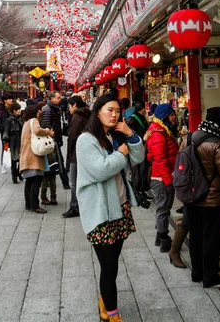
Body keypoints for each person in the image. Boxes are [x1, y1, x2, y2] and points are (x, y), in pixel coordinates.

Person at [76, 93, 145, 322]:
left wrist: (130, 135)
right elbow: (101, 170)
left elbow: (137, 158)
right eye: (109, 110)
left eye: (117, 110)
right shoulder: (86, 140)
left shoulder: (113, 135)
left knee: (113, 261)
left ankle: (104, 300)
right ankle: (112, 314)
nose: (114, 115)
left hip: (120, 206)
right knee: (109, 266)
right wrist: (120, 153)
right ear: (98, 112)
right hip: (100, 212)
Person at [168, 115, 220, 269]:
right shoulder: (216, 143)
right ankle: (176, 253)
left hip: (191, 188)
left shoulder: (192, 137)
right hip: (202, 192)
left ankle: (194, 267)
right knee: (193, 225)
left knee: (193, 227)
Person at [145, 103, 179, 253]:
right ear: (164, 117)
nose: (174, 118)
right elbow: (161, 160)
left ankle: (160, 236)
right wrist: (168, 181)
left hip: (163, 175)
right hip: (160, 178)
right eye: (171, 115)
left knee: (163, 207)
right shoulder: (158, 134)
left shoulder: (162, 131)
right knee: (163, 208)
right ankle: (164, 239)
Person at [19, 105, 54, 214]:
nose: (40, 113)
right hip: (33, 155)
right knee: (35, 181)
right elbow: (37, 130)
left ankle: (28, 205)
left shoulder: (25, 123)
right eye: (38, 111)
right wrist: (48, 131)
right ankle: (34, 205)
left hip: (26, 155)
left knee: (29, 181)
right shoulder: (34, 120)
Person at [63, 95, 90, 218]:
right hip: (86, 151)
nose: (69, 109)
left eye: (69, 106)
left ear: (74, 105)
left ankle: (75, 206)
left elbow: (72, 137)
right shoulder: (87, 115)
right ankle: (82, 204)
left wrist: (69, 155)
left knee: (73, 182)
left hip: (76, 153)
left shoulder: (77, 117)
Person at [40, 91, 70, 189]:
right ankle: (64, 183)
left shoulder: (56, 109)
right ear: (52, 98)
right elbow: (46, 126)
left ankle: (51, 182)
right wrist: (52, 138)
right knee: (58, 162)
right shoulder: (47, 110)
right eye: (58, 97)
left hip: (56, 138)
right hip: (51, 140)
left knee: (57, 162)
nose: (60, 99)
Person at [2, 102, 23, 184]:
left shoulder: (20, 119)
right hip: (13, 141)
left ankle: (19, 173)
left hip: (20, 140)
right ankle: (14, 176)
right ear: (14, 111)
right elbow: (6, 132)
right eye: (18, 110)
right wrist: (6, 143)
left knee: (21, 158)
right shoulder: (9, 120)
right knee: (14, 159)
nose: (20, 111)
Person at [0, 93, 13, 159]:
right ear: (5, 100)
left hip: (14, 131)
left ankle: (13, 163)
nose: (11, 100)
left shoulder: (13, 108)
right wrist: (1, 126)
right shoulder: (0, 110)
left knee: (14, 147)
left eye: (11, 98)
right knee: (5, 147)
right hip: (4, 132)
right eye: (9, 99)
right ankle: (5, 163)